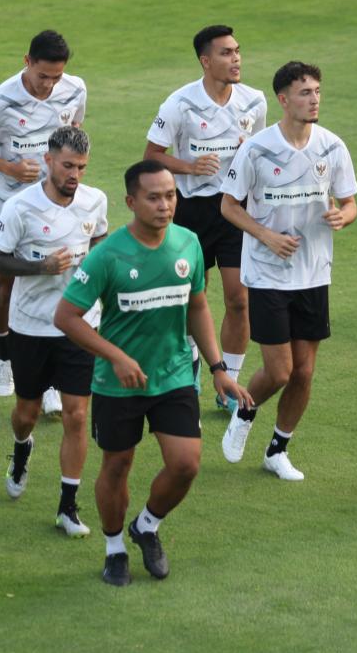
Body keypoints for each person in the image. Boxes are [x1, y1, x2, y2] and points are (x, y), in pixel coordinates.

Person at [56, 160, 251, 586]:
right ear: (130, 202)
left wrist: (218, 367)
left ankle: (146, 525)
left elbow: (197, 305)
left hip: (175, 374)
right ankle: (114, 549)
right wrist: (117, 358)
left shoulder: (188, 244)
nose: (165, 205)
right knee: (117, 465)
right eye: (154, 197)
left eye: (171, 196)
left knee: (186, 464)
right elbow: (66, 317)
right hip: (118, 383)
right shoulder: (107, 255)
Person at [219, 62, 357, 481]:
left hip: (314, 273)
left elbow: (349, 201)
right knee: (279, 371)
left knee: (304, 372)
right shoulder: (257, 149)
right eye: (304, 93)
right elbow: (228, 206)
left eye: (317, 91)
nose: (314, 99)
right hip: (267, 272)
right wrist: (265, 235)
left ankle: (278, 449)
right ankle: (244, 414)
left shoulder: (332, 147)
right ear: (283, 99)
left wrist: (343, 217)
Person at [0, 126, 107, 536]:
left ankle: (67, 507)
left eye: (82, 167)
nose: (75, 174)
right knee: (27, 414)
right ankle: (22, 449)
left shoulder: (95, 201)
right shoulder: (20, 208)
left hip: (78, 324)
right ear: (49, 161)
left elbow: (101, 247)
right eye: (69, 165)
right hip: (32, 326)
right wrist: (41, 268)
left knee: (76, 415)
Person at [144, 25, 267, 412]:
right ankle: (193, 365)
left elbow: (258, 154)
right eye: (227, 53)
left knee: (239, 299)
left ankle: (227, 384)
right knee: (189, 296)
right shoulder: (180, 104)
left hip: (233, 209)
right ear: (205, 60)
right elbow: (151, 155)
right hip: (191, 211)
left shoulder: (255, 101)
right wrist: (189, 166)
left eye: (237, 51)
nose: (236, 59)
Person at [0, 29, 87, 406]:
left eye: (56, 77)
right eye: (42, 75)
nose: (49, 84)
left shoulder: (76, 89)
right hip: (9, 206)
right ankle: (5, 358)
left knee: (54, 279)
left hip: (57, 204)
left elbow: (74, 131)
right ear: (26, 61)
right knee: (7, 283)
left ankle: (48, 380)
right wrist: (9, 169)